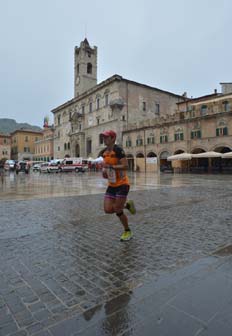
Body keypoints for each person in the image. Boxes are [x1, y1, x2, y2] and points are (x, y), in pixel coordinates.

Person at [98, 130, 136, 242]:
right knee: (108, 209)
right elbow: (106, 170)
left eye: (106, 137)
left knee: (118, 210)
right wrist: (104, 172)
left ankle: (127, 231)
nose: (104, 139)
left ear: (113, 138)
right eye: (103, 138)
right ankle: (127, 206)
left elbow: (125, 166)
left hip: (123, 184)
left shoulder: (119, 150)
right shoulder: (104, 152)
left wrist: (110, 167)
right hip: (112, 184)